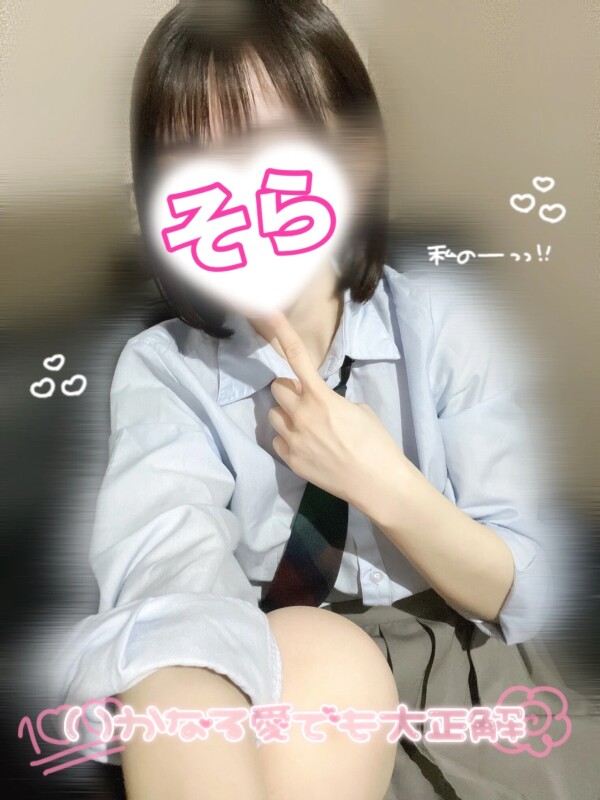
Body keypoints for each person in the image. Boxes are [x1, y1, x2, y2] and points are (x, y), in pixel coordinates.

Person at [50, 1, 600, 798]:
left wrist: (385, 482)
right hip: (281, 671)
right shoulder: (164, 370)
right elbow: (170, 585)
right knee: (284, 651)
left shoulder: (443, 325)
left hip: (471, 667)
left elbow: (525, 589)